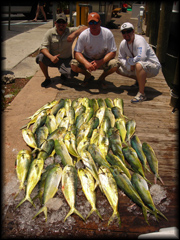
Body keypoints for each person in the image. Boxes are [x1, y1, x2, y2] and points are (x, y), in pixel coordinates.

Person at [36, 13, 87, 87]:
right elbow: (43, 48)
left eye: (63, 22)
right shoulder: (49, 33)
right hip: (53, 58)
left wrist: (74, 34)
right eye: (59, 22)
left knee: (71, 75)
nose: (61, 24)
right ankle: (47, 78)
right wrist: (51, 57)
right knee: (40, 57)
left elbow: (85, 27)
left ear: (66, 24)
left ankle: (64, 74)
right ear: (55, 23)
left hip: (66, 59)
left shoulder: (70, 31)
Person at [71, 12, 118, 89]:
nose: (93, 25)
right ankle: (87, 75)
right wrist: (86, 63)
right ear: (88, 24)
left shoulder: (107, 33)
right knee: (73, 65)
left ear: (100, 22)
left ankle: (101, 78)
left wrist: (100, 62)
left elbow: (113, 52)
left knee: (115, 64)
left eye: (95, 22)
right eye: (91, 22)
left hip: (102, 58)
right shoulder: (83, 35)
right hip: (88, 58)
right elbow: (76, 52)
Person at [116, 22, 161, 103]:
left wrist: (130, 62)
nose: (126, 34)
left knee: (139, 65)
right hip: (137, 65)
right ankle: (140, 81)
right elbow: (120, 58)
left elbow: (141, 57)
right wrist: (129, 66)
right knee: (116, 66)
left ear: (133, 31)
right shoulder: (123, 43)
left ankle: (141, 94)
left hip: (153, 67)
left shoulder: (139, 40)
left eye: (128, 31)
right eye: (123, 32)